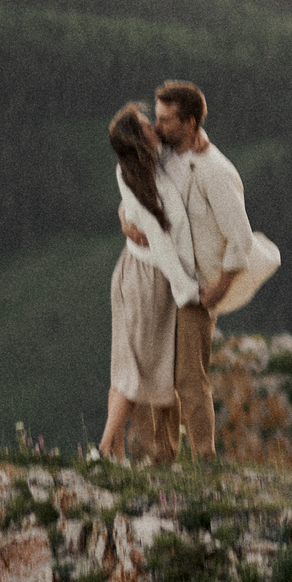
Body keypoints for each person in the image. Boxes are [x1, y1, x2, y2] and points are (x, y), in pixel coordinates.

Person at [127, 79, 255, 459]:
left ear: (190, 122)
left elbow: (242, 237)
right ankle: (162, 457)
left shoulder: (214, 170)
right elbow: (137, 189)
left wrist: (220, 287)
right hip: (165, 279)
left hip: (199, 287)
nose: (157, 127)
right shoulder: (165, 156)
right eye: (158, 117)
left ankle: (205, 457)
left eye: (166, 120)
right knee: (159, 373)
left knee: (188, 377)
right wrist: (125, 220)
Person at [99, 102, 197, 462]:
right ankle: (105, 447)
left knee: (125, 364)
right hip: (148, 279)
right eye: (146, 125)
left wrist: (123, 215)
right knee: (135, 368)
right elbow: (161, 245)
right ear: (138, 140)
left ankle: (115, 453)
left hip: (132, 272)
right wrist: (186, 289)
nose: (155, 126)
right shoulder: (143, 181)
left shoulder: (137, 170)